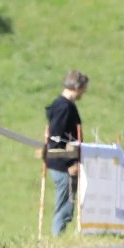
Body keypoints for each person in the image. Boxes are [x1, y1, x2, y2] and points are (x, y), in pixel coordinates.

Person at [42, 70, 87, 236]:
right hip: (62, 164)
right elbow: (56, 138)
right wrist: (70, 163)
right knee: (64, 206)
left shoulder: (62, 105)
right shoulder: (64, 107)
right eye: (83, 88)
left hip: (60, 162)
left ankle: (58, 236)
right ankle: (57, 238)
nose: (84, 92)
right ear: (77, 87)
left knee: (66, 204)